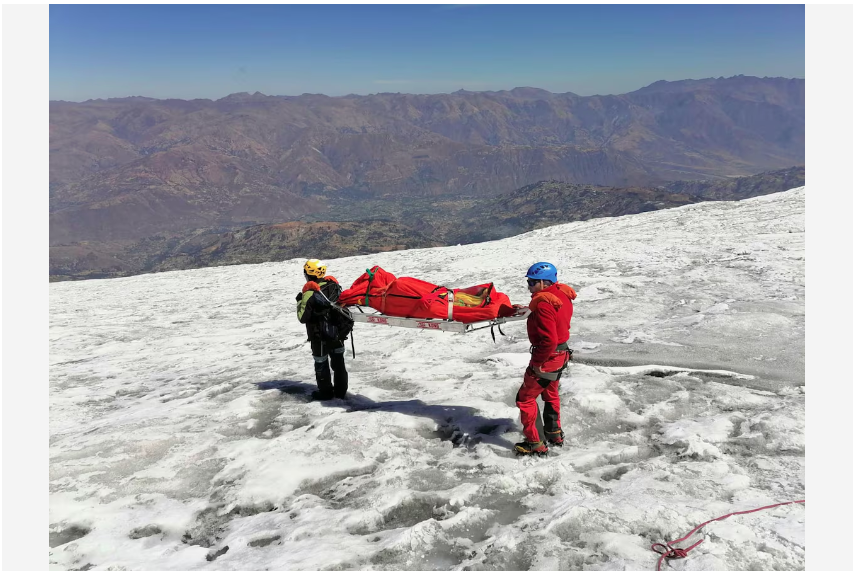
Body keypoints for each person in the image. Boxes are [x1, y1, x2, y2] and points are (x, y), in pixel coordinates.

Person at [514, 262, 576, 456]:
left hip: (549, 357)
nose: (529, 286)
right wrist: (528, 308)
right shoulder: (560, 293)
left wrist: (537, 364)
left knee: (525, 398)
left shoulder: (543, 304)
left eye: (532, 282)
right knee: (550, 393)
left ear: (543, 282)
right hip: (562, 354)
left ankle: (535, 443)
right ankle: (554, 432)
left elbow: (548, 340)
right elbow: (554, 314)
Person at [296, 259, 349, 400]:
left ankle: (325, 394)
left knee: (321, 363)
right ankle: (341, 392)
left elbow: (302, 317)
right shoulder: (334, 286)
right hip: (337, 333)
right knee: (339, 363)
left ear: (308, 273)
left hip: (319, 336)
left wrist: (299, 301)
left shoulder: (309, 293)